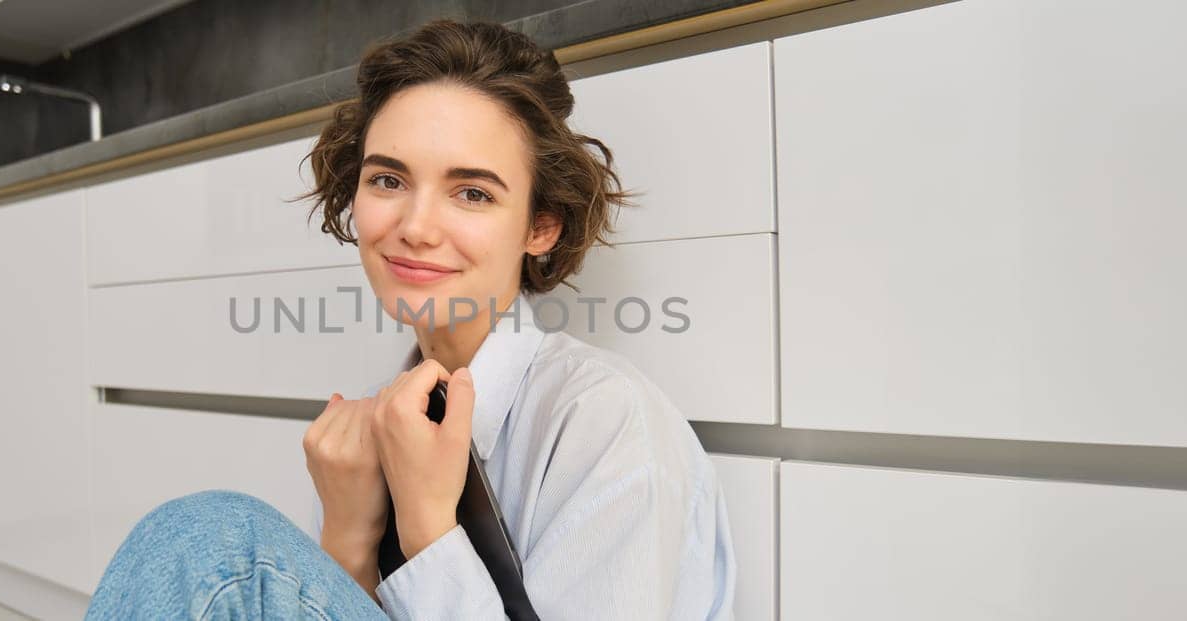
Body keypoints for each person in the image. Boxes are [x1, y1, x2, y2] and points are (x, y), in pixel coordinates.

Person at [86, 19, 735, 620]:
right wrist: (347, 539)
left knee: (218, 541)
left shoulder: (606, 425)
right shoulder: (374, 426)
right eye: (389, 181)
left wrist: (427, 524)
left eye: (472, 192)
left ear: (541, 224)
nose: (415, 228)